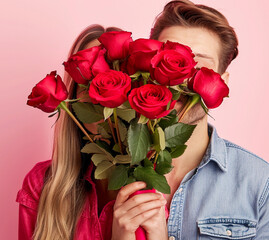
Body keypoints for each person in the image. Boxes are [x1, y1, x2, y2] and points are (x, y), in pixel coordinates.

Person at [16, 1, 269, 239]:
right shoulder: (114, 169)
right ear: (147, 68)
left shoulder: (259, 184)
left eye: (200, 65)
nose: (181, 78)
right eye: (170, 61)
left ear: (222, 81)